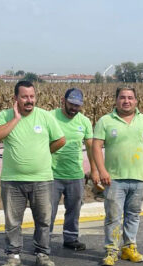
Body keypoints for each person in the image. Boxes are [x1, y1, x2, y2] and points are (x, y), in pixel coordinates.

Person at [0, 80, 65, 266]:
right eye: (24, 97)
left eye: (32, 96)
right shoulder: (5, 116)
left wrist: (44, 153)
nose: (29, 100)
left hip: (42, 179)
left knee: (43, 220)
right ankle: (13, 257)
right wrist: (15, 119)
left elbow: (60, 140)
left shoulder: (45, 117)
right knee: (13, 222)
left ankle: (42, 254)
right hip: (12, 180)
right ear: (15, 99)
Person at [92, 86, 143, 266]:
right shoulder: (106, 121)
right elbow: (96, 147)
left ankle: (129, 247)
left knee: (133, 215)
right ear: (116, 100)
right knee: (113, 216)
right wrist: (102, 171)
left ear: (136, 101)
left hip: (138, 178)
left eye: (130, 97)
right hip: (114, 178)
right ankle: (111, 250)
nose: (126, 101)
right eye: (122, 97)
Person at [49, 88, 95, 251]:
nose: (74, 108)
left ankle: (70, 238)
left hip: (75, 174)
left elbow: (90, 148)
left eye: (78, 105)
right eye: (71, 104)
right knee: (48, 210)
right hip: (52, 174)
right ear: (63, 100)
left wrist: (94, 170)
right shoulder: (50, 117)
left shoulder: (84, 122)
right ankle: (43, 240)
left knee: (74, 209)